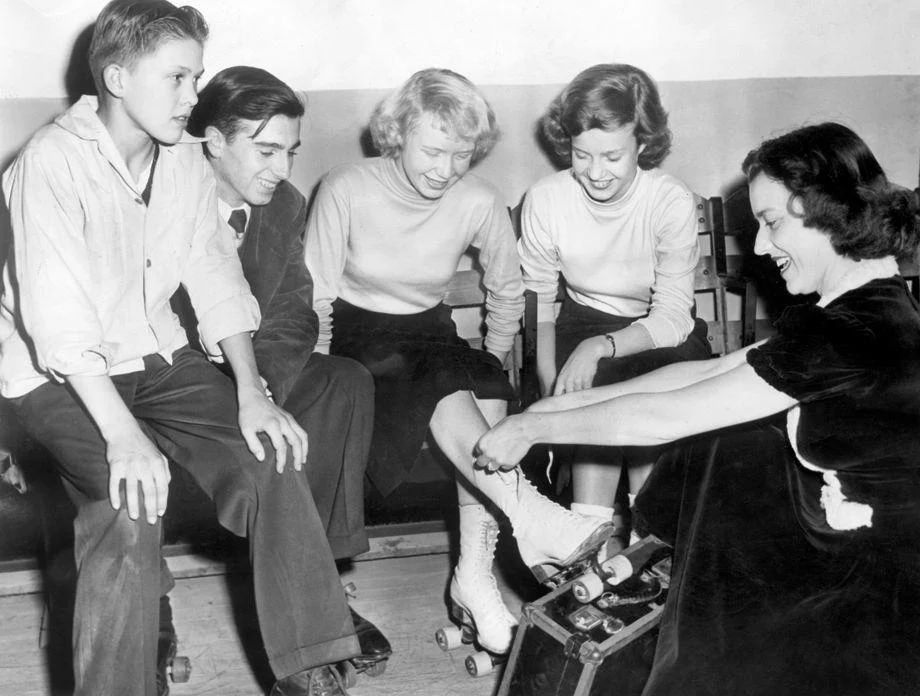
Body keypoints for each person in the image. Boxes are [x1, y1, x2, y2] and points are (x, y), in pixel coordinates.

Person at [476, 122, 920, 694]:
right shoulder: (865, 303)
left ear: (825, 211)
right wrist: (552, 408)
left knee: (724, 440)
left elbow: (664, 417)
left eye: (771, 223)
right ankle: (655, 563)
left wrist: (533, 431)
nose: (759, 247)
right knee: (730, 438)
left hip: (878, 579)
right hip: (856, 536)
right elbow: (708, 371)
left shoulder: (852, 329)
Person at [0, 2, 354, 695]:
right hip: (54, 374)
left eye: (198, 78)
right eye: (179, 78)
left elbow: (216, 275)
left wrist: (252, 392)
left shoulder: (186, 160)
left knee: (272, 454)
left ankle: (311, 671)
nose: (194, 96)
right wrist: (127, 438)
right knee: (127, 500)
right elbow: (61, 329)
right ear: (118, 77)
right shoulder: (49, 164)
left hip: (154, 353)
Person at [304, 67, 613, 657]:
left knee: (483, 380)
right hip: (358, 336)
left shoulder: (477, 199)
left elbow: (505, 287)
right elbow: (316, 293)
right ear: (398, 133)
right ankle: (531, 516)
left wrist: (491, 361)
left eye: (462, 155)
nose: (446, 170)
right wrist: (317, 376)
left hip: (430, 334)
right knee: (445, 376)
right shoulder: (345, 185)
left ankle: (474, 573)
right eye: (434, 150)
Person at [184, 64, 391, 676]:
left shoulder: (284, 205)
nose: (281, 168)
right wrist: (241, 389)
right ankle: (304, 622)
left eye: (290, 152)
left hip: (257, 374)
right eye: (266, 150)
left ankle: (319, 583)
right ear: (215, 142)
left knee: (344, 381)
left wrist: (265, 384)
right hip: (184, 380)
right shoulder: (169, 197)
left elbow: (292, 312)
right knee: (269, 437)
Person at [519, 63, 710, 546]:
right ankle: (590, 546)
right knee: (590, 398)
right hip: (580, 319)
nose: (596, 173)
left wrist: (599, 347)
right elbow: (540, 299)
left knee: (651, 396)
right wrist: (550, 385)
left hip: (657, 328)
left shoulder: (669, 200)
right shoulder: (545, 198)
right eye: (582, 155)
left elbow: (672, 316)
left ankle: (649, 548)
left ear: (643, 144)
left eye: (612, 156)